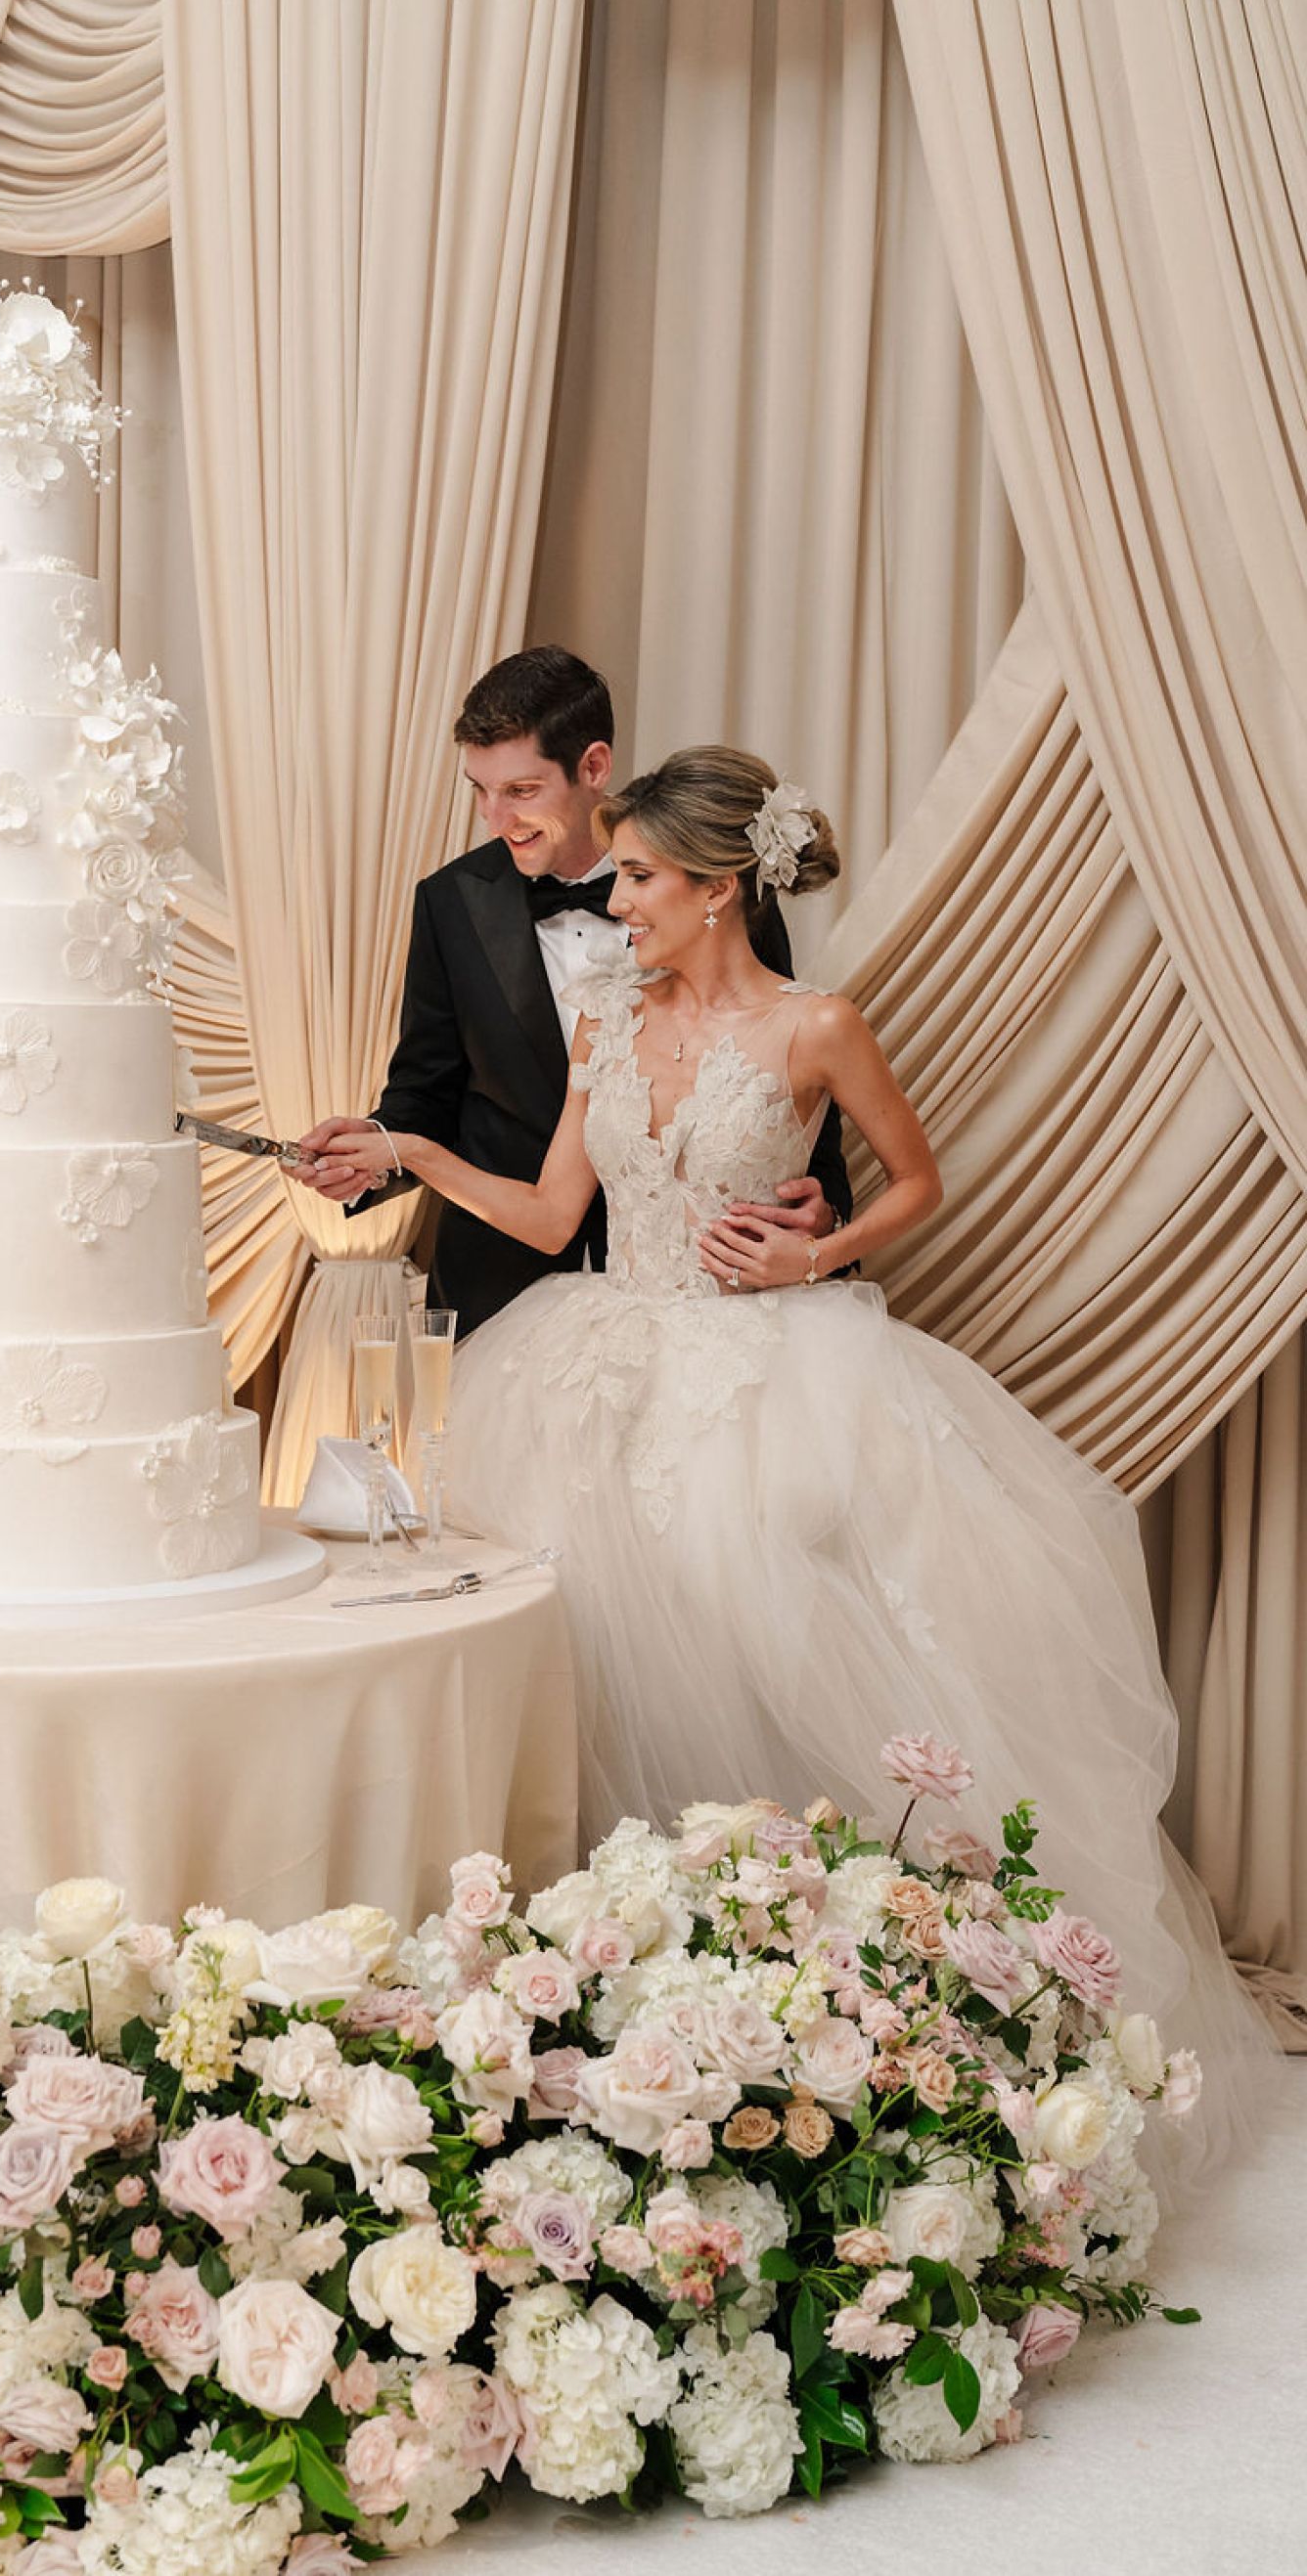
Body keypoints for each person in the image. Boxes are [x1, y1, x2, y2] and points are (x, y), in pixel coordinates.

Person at [316, 744, 1266, 2151]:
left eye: (635, 874)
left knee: (755, 1644)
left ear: (711, 890)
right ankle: (605, 2025)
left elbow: (919, 1180)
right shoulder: (603, 1016)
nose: (614, 893)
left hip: (761, 1377)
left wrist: (814, 1255)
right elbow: (546, 1211)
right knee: (575, 1654)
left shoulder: (818, 1025)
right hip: (592, 1362)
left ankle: (802, 2031)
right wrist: (412, 1155)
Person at [296, 647, 851, 1334]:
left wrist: (824, 1209)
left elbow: (781, 1068)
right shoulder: (449, 903)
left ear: (593, 767)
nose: (495, 819)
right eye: (479, 790)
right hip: (505, 1287)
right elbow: (425, 1089)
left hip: (713, 1301)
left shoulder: (711, 883)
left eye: (521, 792)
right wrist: (374, 1154)